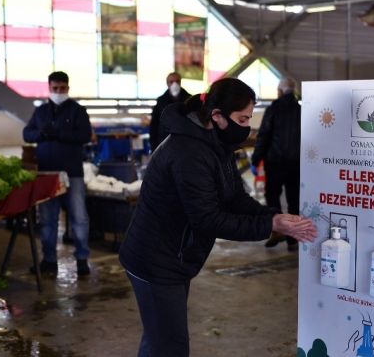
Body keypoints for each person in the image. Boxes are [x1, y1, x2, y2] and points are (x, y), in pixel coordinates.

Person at [119, 78, 317, 356]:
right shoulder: (188, 153)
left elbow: (235, 196)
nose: (247, 125)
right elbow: (208, 219)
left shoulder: (215, 144)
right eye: (243, 118)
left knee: (158, 340)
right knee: (170, 347)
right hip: (155, 260)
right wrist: (270, 225)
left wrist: (273, 216)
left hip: (174, 256)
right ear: (217, 116)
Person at [23, 71, 92, 277]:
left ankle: (82, 260)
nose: (58, 92)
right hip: (47, 173)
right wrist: (41, 134)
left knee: (79, 217)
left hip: (72, 173)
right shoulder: (41, 111)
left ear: (68, 89)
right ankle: (49, 261)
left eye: (62, 88)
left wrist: (60, 134)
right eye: (55, 88)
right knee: (47, 219)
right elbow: (27, 134)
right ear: (49, 88)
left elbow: (85, 135)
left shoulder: (78, 111)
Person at [251, 77, 302, 251]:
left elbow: (263, 136)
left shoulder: (274, 109)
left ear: (280, 91)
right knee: (294, 199)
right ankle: (293, 237)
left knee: (272, 195)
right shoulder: (301, 110)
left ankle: (278, 229)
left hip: (275, 162)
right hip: (296, 163)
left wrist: (256, 159)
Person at [149, 72, 190, 151]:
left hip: (184, 145)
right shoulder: (161, 101)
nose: (174, 84)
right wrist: (154, 146)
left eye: (177, 81)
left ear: (180, 82)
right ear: (167, 83)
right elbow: (154, 124)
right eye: (171, 82)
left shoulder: (189, 100)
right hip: (164, 143)